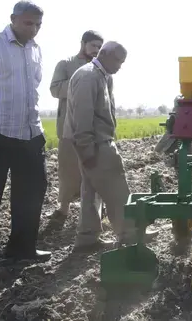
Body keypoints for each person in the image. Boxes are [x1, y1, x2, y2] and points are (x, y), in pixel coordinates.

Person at [0, 0, 51, 262]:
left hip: (29, 134)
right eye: (29, 23)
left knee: (32, 193)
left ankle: (22, 249)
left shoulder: (36, 50)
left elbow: (34, 90)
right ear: (13, 19)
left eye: (38, 25)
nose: (33, 29)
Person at [63, 41, 157, 251]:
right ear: (104, 54)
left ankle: (87, 239)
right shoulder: (88, 76)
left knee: (91, 191)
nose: (119, 66)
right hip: (96, 143)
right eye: (117, 61)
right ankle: (130, 233)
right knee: (117, 187)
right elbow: (82, 115)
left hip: (95, 142)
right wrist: (87, 149)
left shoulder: (102, 76)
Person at [48, 30, 105, 221]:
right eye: (93, 46)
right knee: (68, 171)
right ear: (83, 43)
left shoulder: (101, 68)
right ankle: (63, 209)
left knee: (96, 171)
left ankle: (95, 213)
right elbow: (55, 89)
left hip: (95, 129)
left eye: (99, 47)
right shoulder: (66, 64)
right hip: (69, 128)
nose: (96, 50)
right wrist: (78, 86)